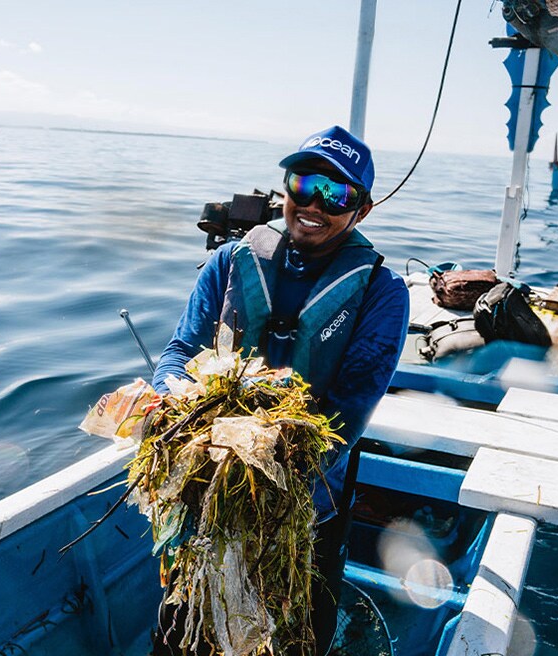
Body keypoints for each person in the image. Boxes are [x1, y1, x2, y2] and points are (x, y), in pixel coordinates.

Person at [149, 125, 410, 655]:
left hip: (306, 509)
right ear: (285, 188)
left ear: (362, 210)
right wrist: (169, 399)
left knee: (292, 637)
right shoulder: (230, 261)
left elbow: (350, 409)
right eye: (303, 183)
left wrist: (272, 479)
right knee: (182, 630)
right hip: (205, 489)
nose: (314, 203)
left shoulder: (383, 293)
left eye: (337, 194)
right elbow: (181, 351)